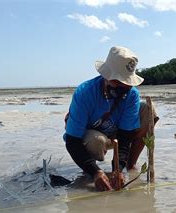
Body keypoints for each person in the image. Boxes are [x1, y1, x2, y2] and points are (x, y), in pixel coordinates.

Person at [64, 46, 158, 191]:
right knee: (97, 141)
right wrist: (96, 172)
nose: (123, 87)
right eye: (118, 82)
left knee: (148, 110)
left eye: (126, 84)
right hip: (91, 136)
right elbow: (72, 141)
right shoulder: (84, 93)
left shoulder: (131, 95)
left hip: (116, 133)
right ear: (106, 76)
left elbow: (125, 137)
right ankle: (90, 169)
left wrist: (118, 169)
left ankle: (129, 166)